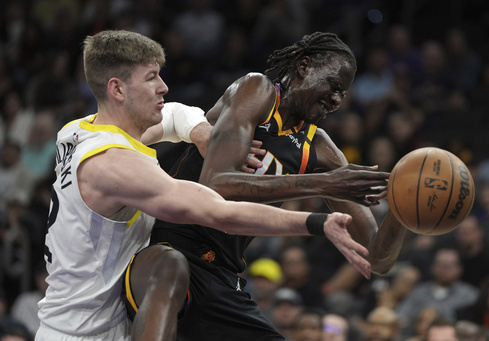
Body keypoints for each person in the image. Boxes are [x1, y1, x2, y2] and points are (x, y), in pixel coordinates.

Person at [35, 30, 379, 341]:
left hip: (83, 315)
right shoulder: (113, 165)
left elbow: (175, 114)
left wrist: (202, 133)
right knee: (170, 265)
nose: (164, 87)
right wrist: (318, 216)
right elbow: (219, 209)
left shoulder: (78, 130)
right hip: (86, 331)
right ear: (118, 88)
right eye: (152, 78)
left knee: (170, 269)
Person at [126, 32, 406, 340]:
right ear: (304, 66)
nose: (337, 100)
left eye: (344, 94)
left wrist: (405, 210)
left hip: (222, 274)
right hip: (169, 246)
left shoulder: (320, 149)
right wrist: (324, 184)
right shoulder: (257, 90)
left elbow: (377, 258)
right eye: (334, 86)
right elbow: (216, 185)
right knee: (171, 270)